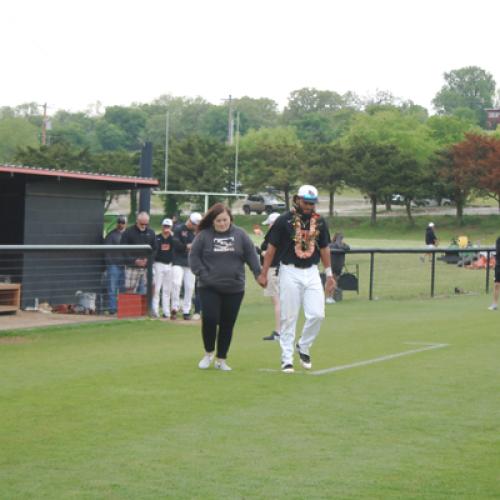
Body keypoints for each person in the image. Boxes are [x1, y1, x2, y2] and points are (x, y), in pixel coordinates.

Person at [257, 185, 335, 373]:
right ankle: (287, 359)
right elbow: (272, 248)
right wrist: (263, 272)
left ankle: (304, 345)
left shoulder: (320, 222)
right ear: (297, 200)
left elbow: (324, 248)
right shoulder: (284, 220)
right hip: (289, 271)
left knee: (318, 314)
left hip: (312, 271)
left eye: (312, 203)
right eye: (306, 202)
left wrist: (330, 274)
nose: (309, 206)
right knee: (288, 316)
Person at [189, 203, 261, 371]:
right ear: (212, 221)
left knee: (227, 323)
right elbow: (193, 257)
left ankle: (221, 359)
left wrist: (258, 274)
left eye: (225, 220)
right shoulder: (203, 236)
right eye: (218, 220)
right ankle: (208, 353)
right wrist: (202, 273)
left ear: (230, 219)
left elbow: (251, 255)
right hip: (208, 286)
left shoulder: (241, 235)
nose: (222, 223)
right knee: (210, 319)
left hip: (234, 287)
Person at [171, 212, 202, 320]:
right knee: (176, 283)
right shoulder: (179, 229)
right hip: (178, 261)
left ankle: (186, 310)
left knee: (189, 287)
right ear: (189, 220)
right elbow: (175, 243)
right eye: (193, 224)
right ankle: (174, 307)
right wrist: (186, 246)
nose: (194, 226)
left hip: (190, 263)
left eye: (196, 225)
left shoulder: (198, 232)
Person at [120, 211, 156, 294]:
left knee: (152, 287)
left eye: (146, 224)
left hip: (148, 266)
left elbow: (155, 249)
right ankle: (131, 306)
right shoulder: (128, 232)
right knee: (130, 289)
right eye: (142, 224)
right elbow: (123, 249)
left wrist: (148, 260)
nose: (144, 226)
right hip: (132, 266)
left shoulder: (151, 232)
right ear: (137, 221)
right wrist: (134, 261)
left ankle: (149, 306)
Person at [260, 212, 282, 341]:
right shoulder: (285, 235)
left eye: (269, 224)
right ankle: (283, 331)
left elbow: (270, 253)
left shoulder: (274, 236)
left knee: (277, 301)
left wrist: (260, 252)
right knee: (282, 301)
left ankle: (279, 331)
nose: (268, 226)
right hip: (280, 270)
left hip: (273, 270)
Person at [103, 215, 127, 314]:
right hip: (114, 266)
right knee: (112, 289)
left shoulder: (128, 234)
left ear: (125, 223)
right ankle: (112, 309)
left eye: (122, 222)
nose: (120, 224)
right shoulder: (111, 235)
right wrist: (110, 263)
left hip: (125, 266)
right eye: (119, 222)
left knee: (123, 289)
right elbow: (106, 251)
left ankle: (122, 309)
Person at [152, 218, 174, 318]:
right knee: (156, 289)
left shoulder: (173, 238)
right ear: (162, 226)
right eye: (165, 226)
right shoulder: (157, 238)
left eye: (168, 226)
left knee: (167, 290)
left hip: (169, 265)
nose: (166, 228)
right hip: (158, 264)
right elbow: (154, 250)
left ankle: (166, 311)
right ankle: (155, 310)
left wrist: (172, 235)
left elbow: (178, 245)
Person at [326, 232, 350, 304]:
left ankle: (331, 297)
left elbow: (347, 248)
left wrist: (340, 243)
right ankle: (328, 297)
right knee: (330, 281)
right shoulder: (331, 245)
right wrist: (338, 243)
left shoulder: (343, 245)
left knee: (335, 282)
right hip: (332, 266)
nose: (341, 240)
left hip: (339, 266)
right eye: (340, 238)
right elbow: (332, 246)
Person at [488, 236, 500, 311]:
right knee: (496, 285)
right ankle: (494, 304)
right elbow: (498, 252)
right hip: (499, 266)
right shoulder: (498, 240)